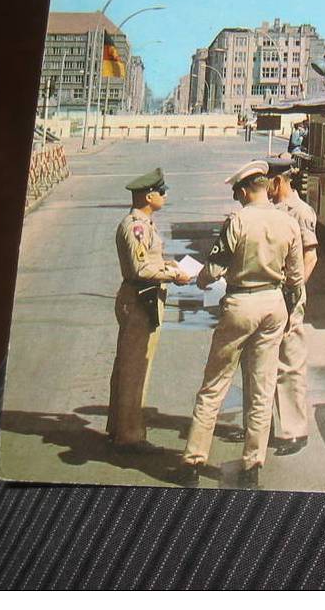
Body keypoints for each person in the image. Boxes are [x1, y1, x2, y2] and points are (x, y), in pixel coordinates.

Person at [173, 161, 304, 488]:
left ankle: (193, 460)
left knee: (215, 382)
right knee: (262, 387)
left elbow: (215, 267)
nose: (236, 197)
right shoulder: (287, 222)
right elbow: (296, 278)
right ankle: (251, 465)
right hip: (273, 304)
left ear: (246, 190)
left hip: (240, 303)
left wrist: (197, 279)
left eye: (237, 192)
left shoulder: (238, 221)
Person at [108, 168, 191, 452]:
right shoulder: (136, 226)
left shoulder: (146, 222)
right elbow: (140, 268)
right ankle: (129, 436)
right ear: (148, 195)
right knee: (135, 367)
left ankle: (119, 426)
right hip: (139, 298)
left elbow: (150, 259)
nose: (164, 195)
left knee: (128, 365)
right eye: (161, 191)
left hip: (144, 297)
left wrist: (169, 265)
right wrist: (173, 275)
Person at [265, 157, 318, 456]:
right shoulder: (274, 211)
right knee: (271, 362)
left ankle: (295, 431)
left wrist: (293, 291)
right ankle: (275, 425)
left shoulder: (300, 211)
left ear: (279, 181)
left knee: (290, 364)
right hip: (275, 295)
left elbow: (311, 257)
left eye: (268, 183)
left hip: (290, 295)